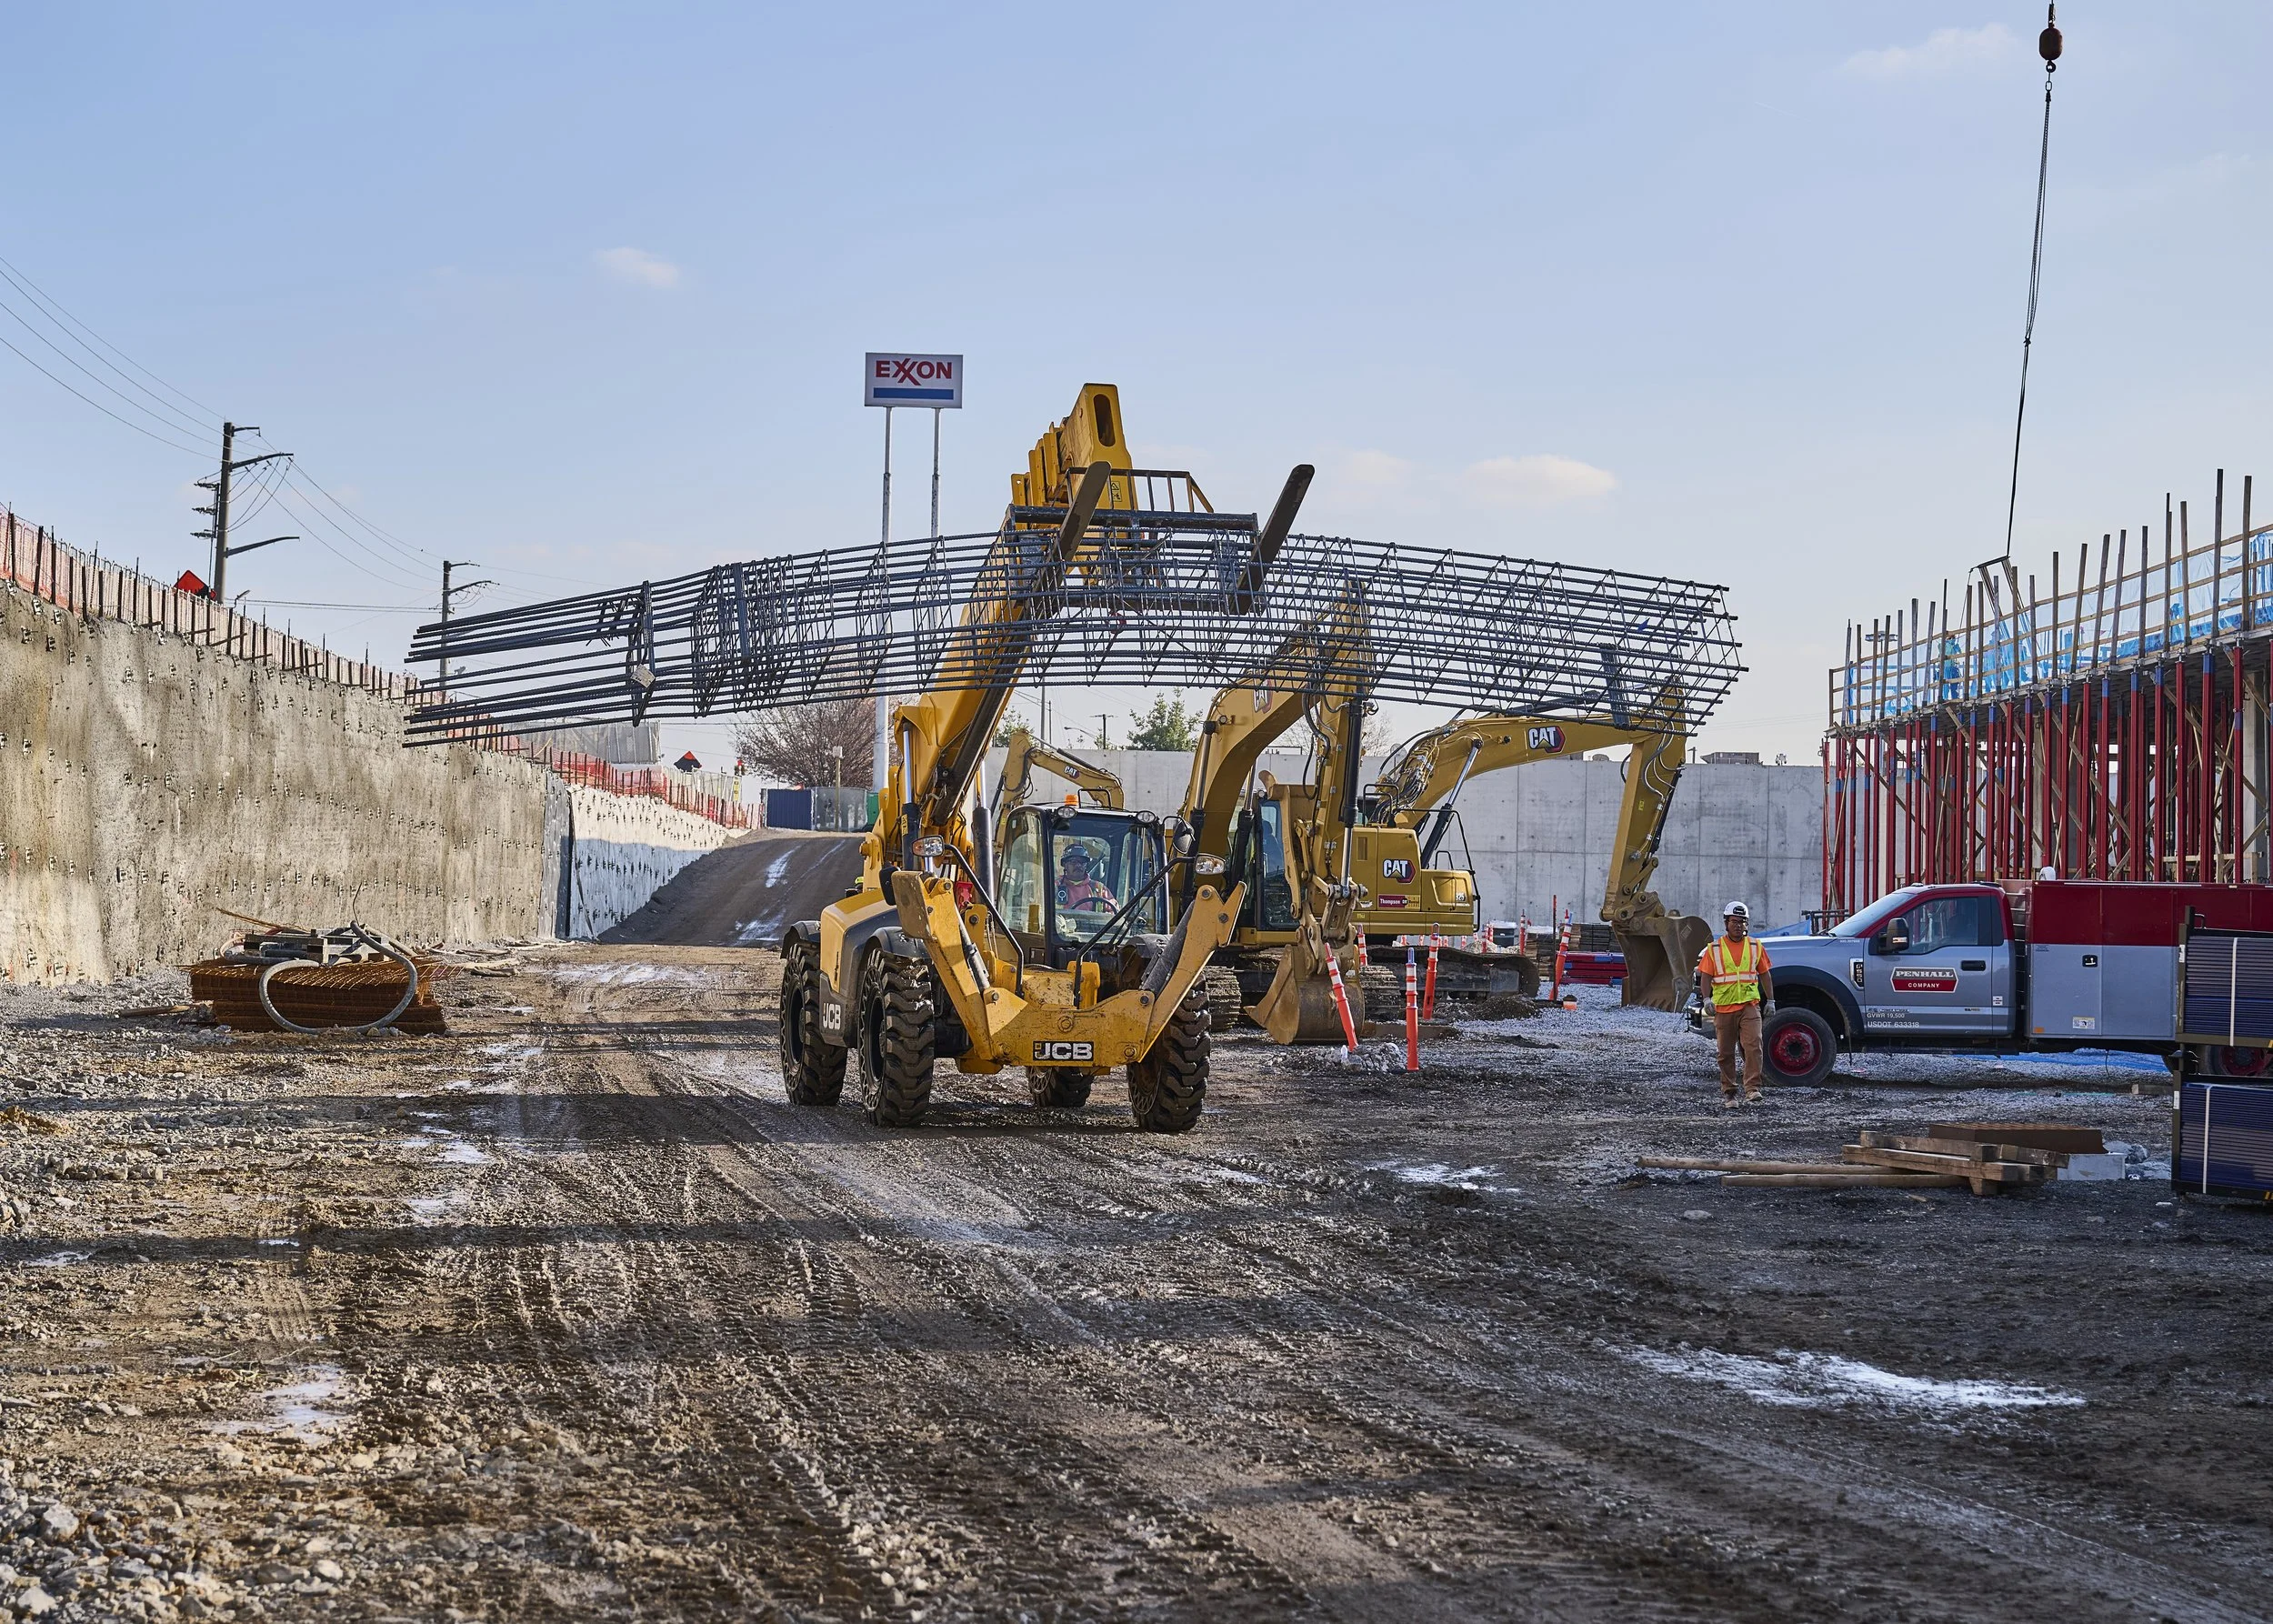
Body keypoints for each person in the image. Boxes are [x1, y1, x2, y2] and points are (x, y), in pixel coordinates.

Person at [1696, 900, 1773, 1107]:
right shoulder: (1715, 949)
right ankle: (1729, 1093)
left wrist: (1771, 1001)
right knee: (1726, 1052)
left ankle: (1752, 1089)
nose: (1738, 925)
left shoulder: (1756, 946)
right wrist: (1707, 999)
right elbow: (1705, 976)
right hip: (1724, 1008)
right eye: (1734, 921)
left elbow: (1765, 974)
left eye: (1742, 922)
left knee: (1754, 1045)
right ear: (1726, 923)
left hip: (1749, 1005)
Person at [1056, 844, 1116, 915]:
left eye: (1082, 862)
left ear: (1086, 865)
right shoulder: (1054, 887)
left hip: (1095, 926)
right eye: (1073, 862)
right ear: (1064, 864)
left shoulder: (1099, 889)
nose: (1078, 865)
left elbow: (1115, 914)